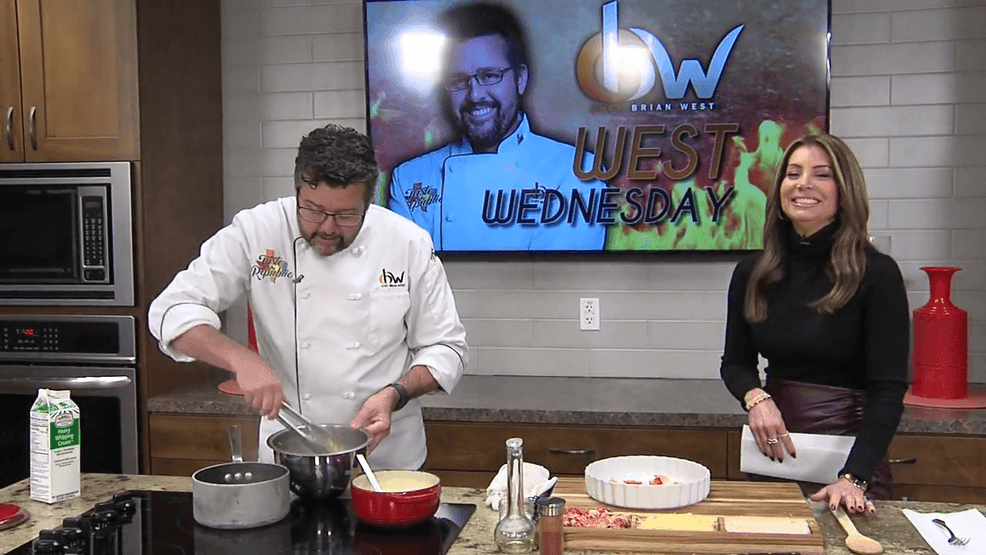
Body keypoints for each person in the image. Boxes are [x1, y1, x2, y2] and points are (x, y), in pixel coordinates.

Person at [148, 124, 469, 470]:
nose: (328, 228)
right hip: (290, 460)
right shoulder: (257, 231)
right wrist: (242, 360)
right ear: (297, 190)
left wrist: (396, 393)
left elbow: (447, 348)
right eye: (313, 210)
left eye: (346, 215)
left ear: (369, 201)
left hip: (386, 462)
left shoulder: (407, 243)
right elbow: (171, 311)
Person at [719, 133, 909, 515]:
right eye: (793, 173)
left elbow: (888, 390)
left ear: (844, 191)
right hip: (775, 456)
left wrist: (853, 477)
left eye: (821, 175)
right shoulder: (751, 273)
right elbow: (735, 364)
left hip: (851, 463)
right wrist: (756, 400)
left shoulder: (877, 274)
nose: (803, 183)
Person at [388, 1, 607, 251]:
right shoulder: (409, 178)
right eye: (458, 81)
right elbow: (409, 272)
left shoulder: (578, 172)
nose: (475, 95)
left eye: (489, 76)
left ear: (521, 79)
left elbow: (554, 277)